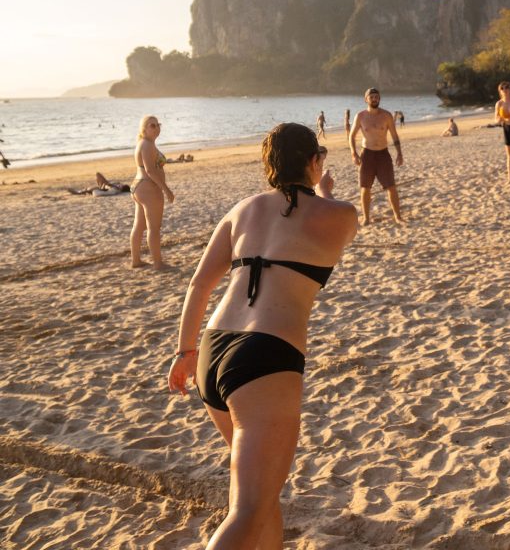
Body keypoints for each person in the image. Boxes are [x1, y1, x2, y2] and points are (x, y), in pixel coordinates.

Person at [168, 123, 357, 549]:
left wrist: (184, 351)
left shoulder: (242, 210)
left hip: (212, 351)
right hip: (265, 356)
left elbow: (199, 284)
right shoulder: (339, 213)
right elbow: (328, 219)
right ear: (314, 161)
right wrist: (323, 188)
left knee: (262, 496)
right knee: (248, 509)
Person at [349, 88, 404, 224]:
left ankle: (398, 217)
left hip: (383, 154)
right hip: (366, 154)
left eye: (376, 97)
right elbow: (352, 136)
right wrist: (354, 153)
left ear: (379, 99)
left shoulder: (386, 116)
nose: (374, 99)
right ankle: (366, 218)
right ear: (366, 99)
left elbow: (394, 135)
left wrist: (399, 153)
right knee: (365, 187)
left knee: (391, 186)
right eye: (372, 97)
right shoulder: (360, 116)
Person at [130, 115, 174, 269]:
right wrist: (166, 189)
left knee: (139, 226)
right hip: (148, 187)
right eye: (152, 125)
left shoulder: (144, 143)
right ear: (144, 129)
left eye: (157, 124)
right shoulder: (147, 145)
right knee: (153, 228)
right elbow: (150, 170)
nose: (156, 128)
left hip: (139, 187)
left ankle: (136, 261)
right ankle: (158, 263)